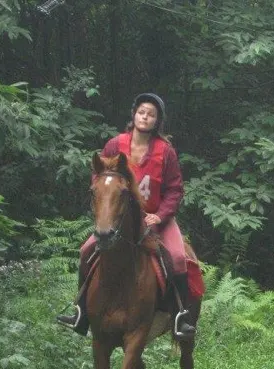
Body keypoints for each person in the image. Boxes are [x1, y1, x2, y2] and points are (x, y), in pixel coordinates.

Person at [56, 93, 197, 340]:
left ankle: (180, 318)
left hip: (156, 219)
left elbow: (175, 189)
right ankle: (81, 313)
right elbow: (100, 176)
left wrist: (161, 216)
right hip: (120, 219)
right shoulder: (115, 144)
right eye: (141, 111)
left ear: (157, 120)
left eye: (151, 114)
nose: (145, 117)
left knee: (177, 257)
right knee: (85, 251)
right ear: (134, 114)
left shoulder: (166, 151)